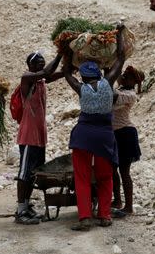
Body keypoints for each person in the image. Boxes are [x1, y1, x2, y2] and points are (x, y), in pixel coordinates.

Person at [62, 26, 126, 231]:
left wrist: (66, 48)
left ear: (82, 76)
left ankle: (85, 218)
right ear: (98, 74)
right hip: (104, 137)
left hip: (83, 137)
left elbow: (65, 72)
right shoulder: (108, 83)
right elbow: (121, 57)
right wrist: (119, 34)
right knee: (105, 177)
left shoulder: (81, 88)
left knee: (82, 177)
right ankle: (105, 215)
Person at [15, 52, 64, 225]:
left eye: (43, 63)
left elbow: (54, 74)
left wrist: (71, 65)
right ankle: (20, 211)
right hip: (28, 136)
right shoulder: (27, 78)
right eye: (38, 64)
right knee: (24, 173)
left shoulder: (41, 80)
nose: (41, 67)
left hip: (39, 136)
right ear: (30, 65)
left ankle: (26, 206)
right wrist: (60, 53)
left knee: (33, 173)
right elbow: (47, 73)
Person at [111, 65, 143, 216]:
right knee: (112, 170)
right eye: (123, 75)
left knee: (124, 171)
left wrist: (111, 72)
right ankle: (117, 200)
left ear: (134, 82)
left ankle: (128, 206)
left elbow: (112, 96)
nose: (123, 77)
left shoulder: (130, 95)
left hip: (126, 134)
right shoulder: (121, 89)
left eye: (127, 76)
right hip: (115, 134)